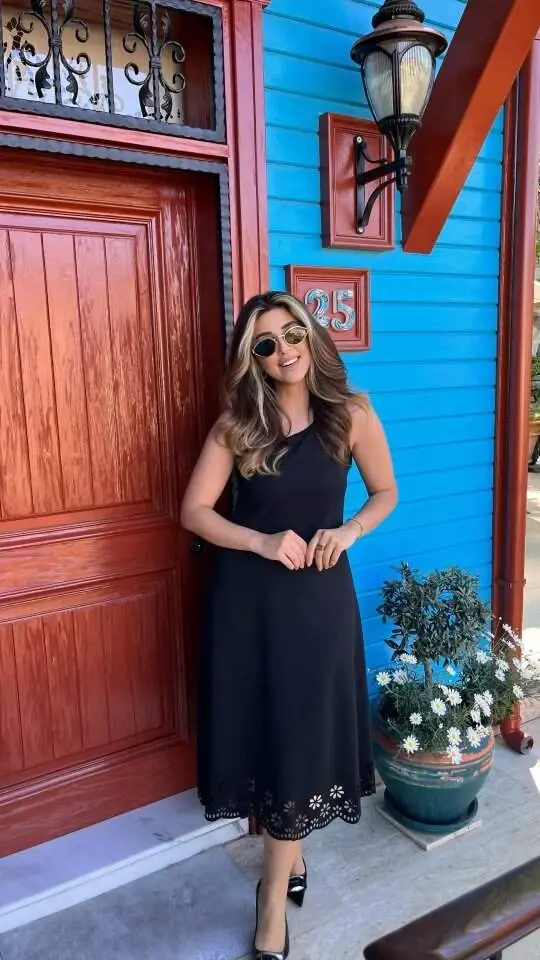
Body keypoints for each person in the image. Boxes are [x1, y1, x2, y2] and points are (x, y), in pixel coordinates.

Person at [181, 291, 397, 959]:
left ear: (311, 334)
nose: (284, 350)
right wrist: (261, 540)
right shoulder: (237, 426)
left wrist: (349, 530)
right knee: (269, 733)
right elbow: (194, 511)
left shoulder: (351, 414)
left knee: (301, 737)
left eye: (292, 333)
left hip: (318, 605)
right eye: (266, 343)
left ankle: (270, 899)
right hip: (247, 607)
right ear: (253, 358)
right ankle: (286, 869)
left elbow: (385, 492)